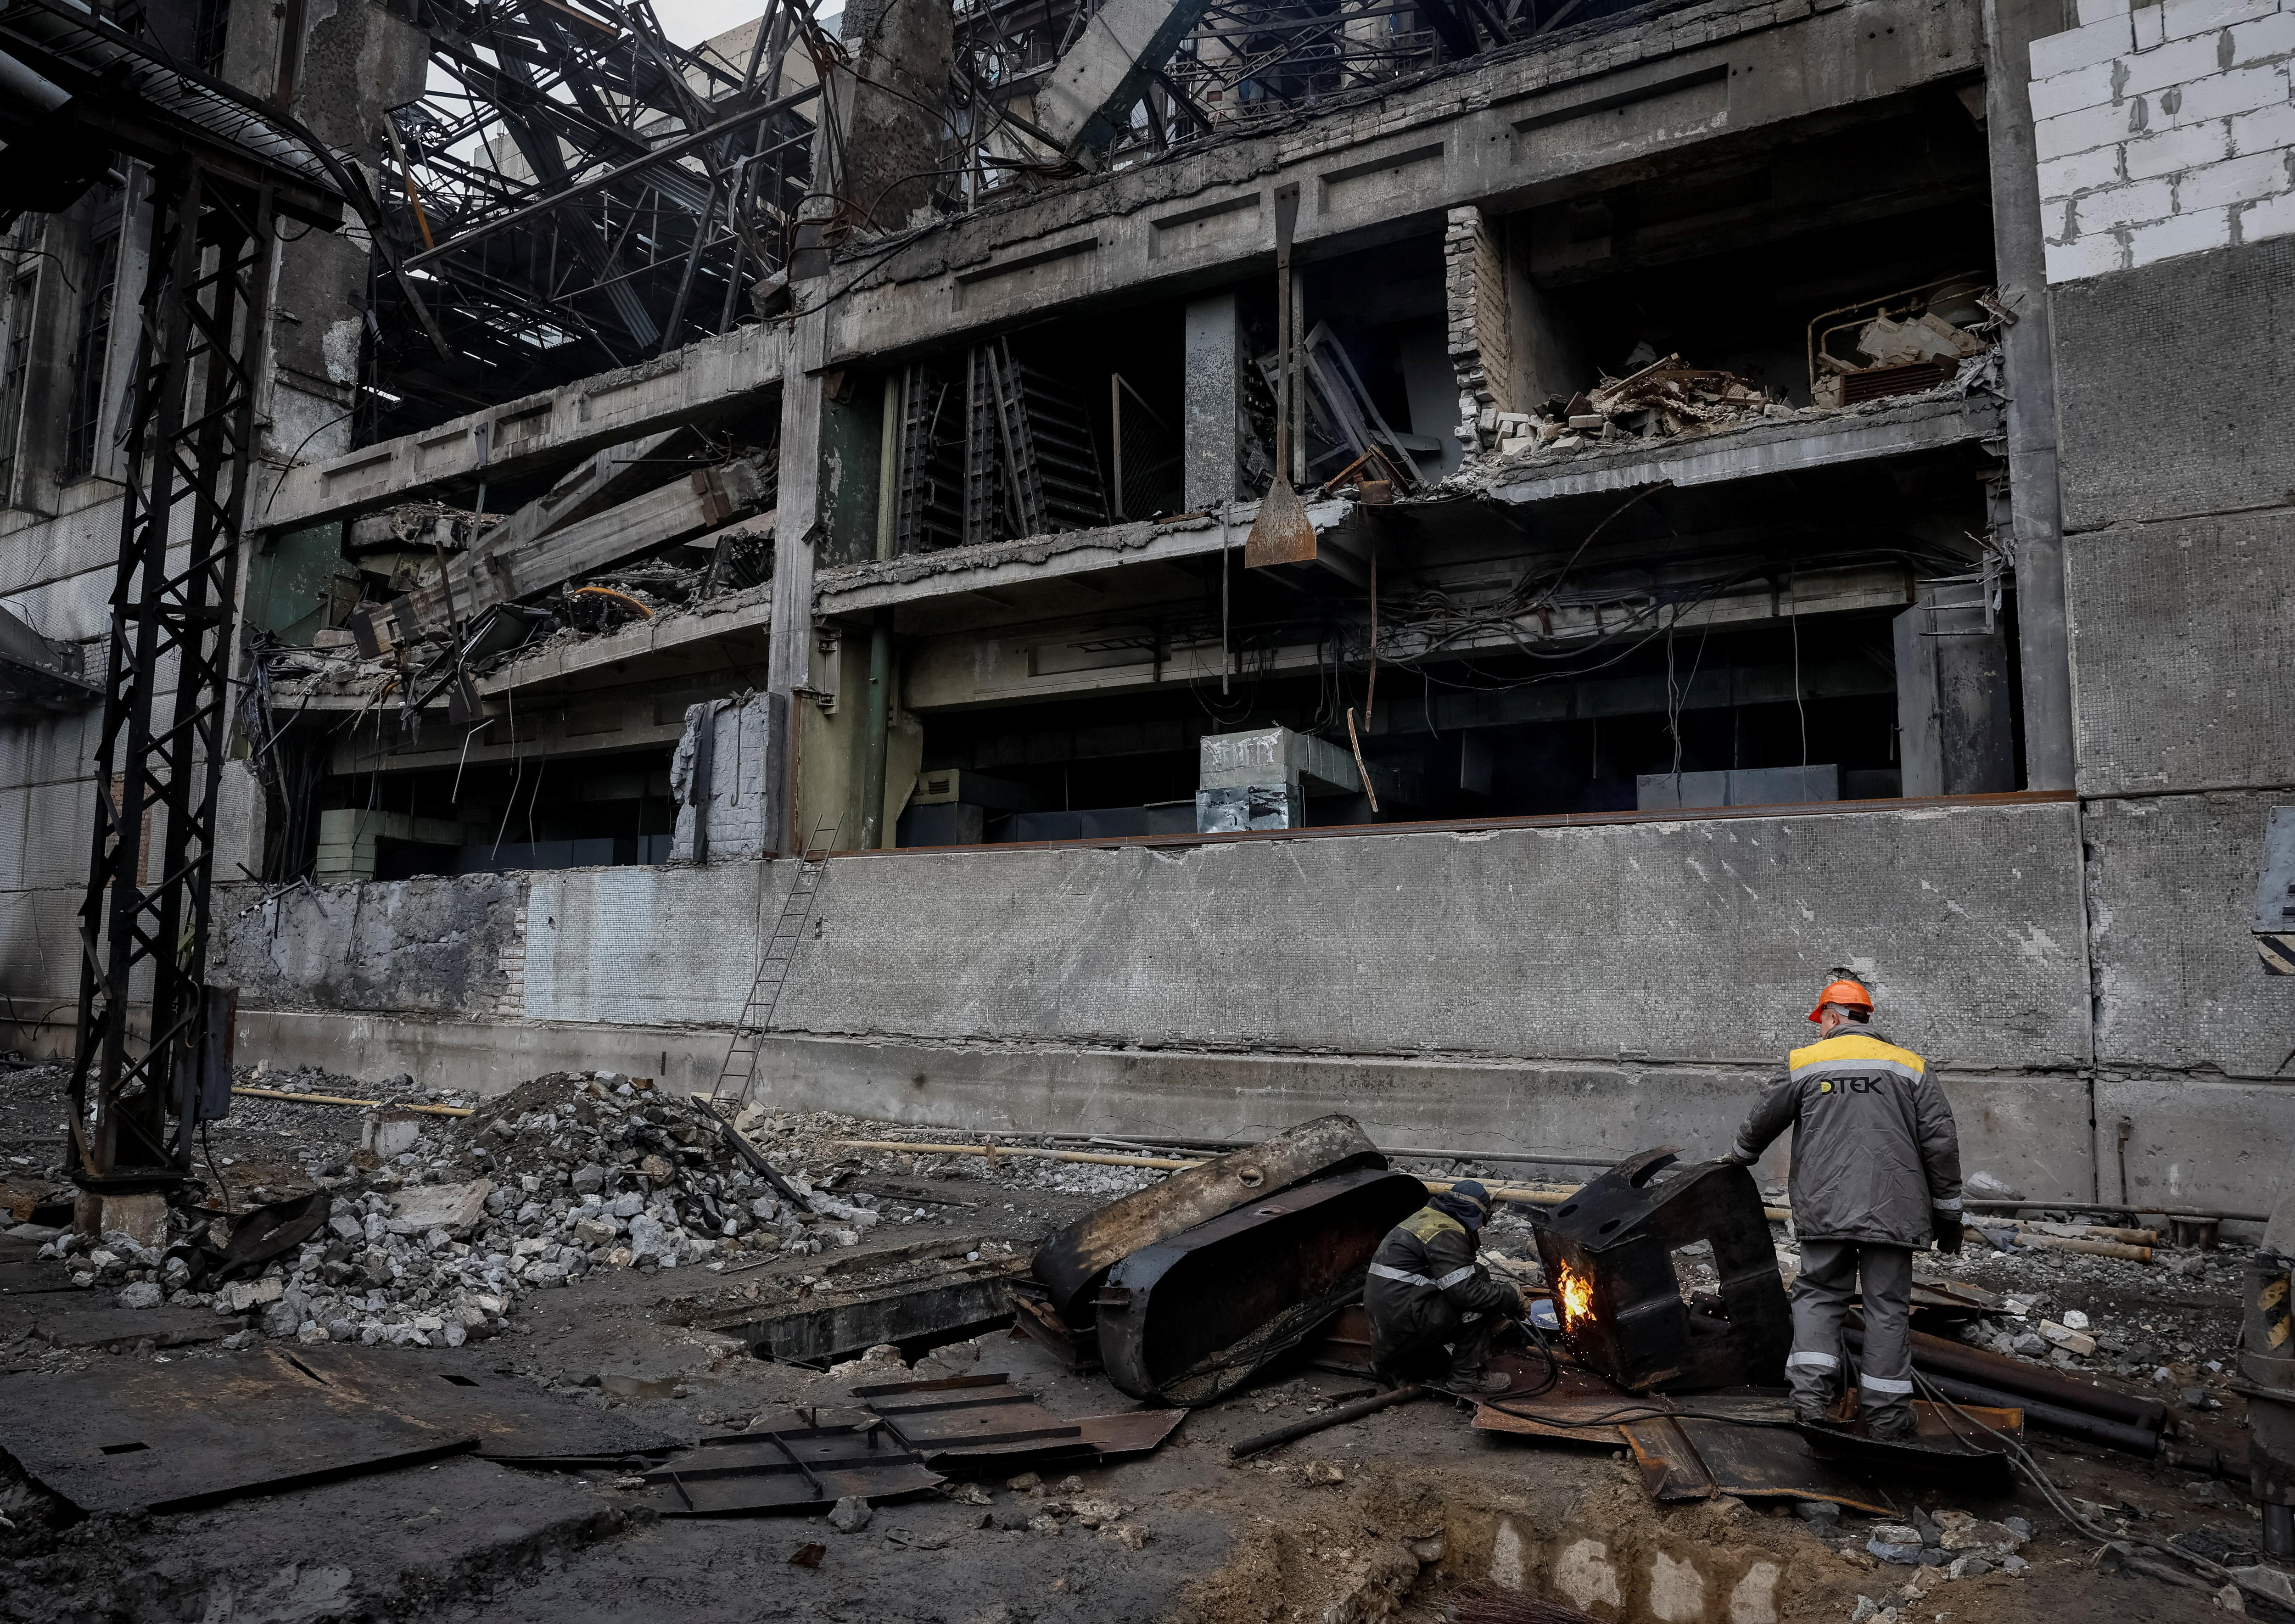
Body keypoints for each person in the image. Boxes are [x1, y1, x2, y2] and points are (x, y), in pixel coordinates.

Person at [1724, 977, 1963, 1440]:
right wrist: (1948, 1213)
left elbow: (1762, 1118)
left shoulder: (1806, 1062)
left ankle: (1810, 1403)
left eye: (1820, 1021)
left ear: (1832, 1017)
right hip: (1894, 1211)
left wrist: (1738, 1157)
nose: (1819, 1030)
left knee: (1818, 1294)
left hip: (1825, 1207)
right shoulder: (1911, 1067)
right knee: (1886, 1308)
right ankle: (1887, 1419)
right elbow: (1941, 1143)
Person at [1364, 1179, 1524, 1395]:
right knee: (1476, 1301)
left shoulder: (1428, 1217)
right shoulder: (1445, 1232)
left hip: (1388, 1320)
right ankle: (1468, 1376)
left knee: (1478, 1274)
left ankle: (1399, 1367)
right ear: (1476, 1214)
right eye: (1483, 1221)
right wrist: (1512, 1296)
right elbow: (1468, 1294)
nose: (1482, 1227)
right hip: (1402, 1320)